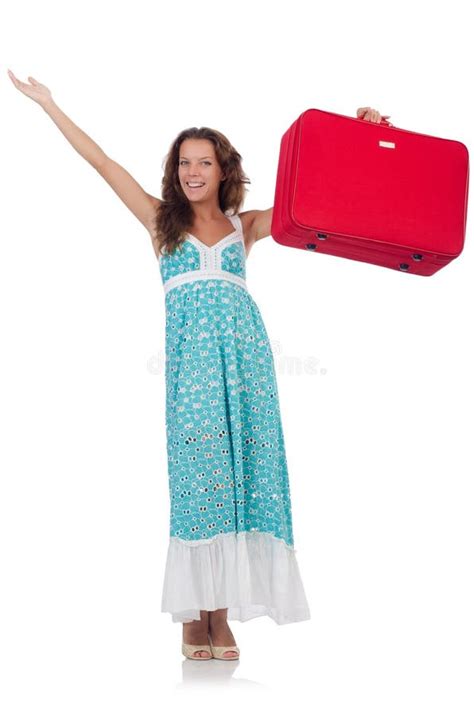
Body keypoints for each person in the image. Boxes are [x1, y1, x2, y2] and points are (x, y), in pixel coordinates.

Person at [7, 69, 387, 661]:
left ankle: (222, 614)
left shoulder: (244, 228)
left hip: (247, 369)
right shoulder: (162, 223)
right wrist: (50, 105)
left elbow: (311, 199)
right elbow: (103, 163)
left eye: (204, 162)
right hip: (193, 379)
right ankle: (197, 615)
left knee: (244, 481)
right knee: (199, 484)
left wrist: (361, 140)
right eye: (185, 162)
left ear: (223, 170)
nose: (192, 172)